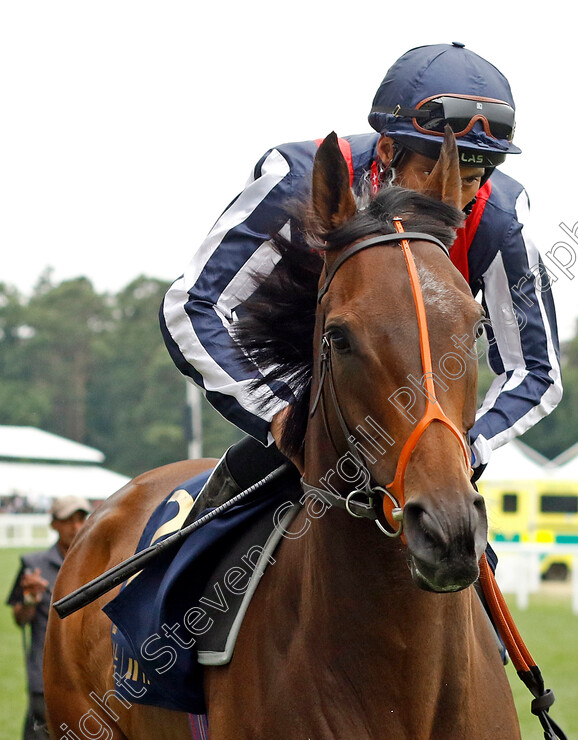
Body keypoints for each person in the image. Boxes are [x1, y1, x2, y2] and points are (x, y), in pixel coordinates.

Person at [160, 42, 562, 523]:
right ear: (388, 150)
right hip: (302, 389)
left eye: (471, 176)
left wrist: (466, 446)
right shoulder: (295, 181)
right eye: (432, 173)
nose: (452, 196)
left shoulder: (497, 220)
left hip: (421, 412)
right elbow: (192, 305)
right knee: (211, 537)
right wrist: (278, 416)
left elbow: (536, 371)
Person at [6, 495, 91, 740]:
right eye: (69, 519)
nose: (76, 526)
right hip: (47, 685)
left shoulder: (96, 559)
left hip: (91, 684)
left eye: (81, 518)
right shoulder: (34, 564)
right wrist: (29, 598)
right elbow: (20, 619)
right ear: (53, 524)